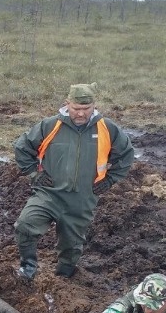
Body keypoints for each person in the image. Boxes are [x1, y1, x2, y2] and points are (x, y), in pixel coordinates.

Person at [13, 82, 135, 280]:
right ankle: (28, 267)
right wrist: (35, 175)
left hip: (82, 198)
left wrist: (110, 179)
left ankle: (63, 278)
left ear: (94, 105)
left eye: (86, 109)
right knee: (25, 225)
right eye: (76, 108)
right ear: (67, 104)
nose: (80, 114)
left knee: (71, 247)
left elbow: (126, 155)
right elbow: (22, 147)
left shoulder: (107, 129)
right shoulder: (50, 126)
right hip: (49, 194)